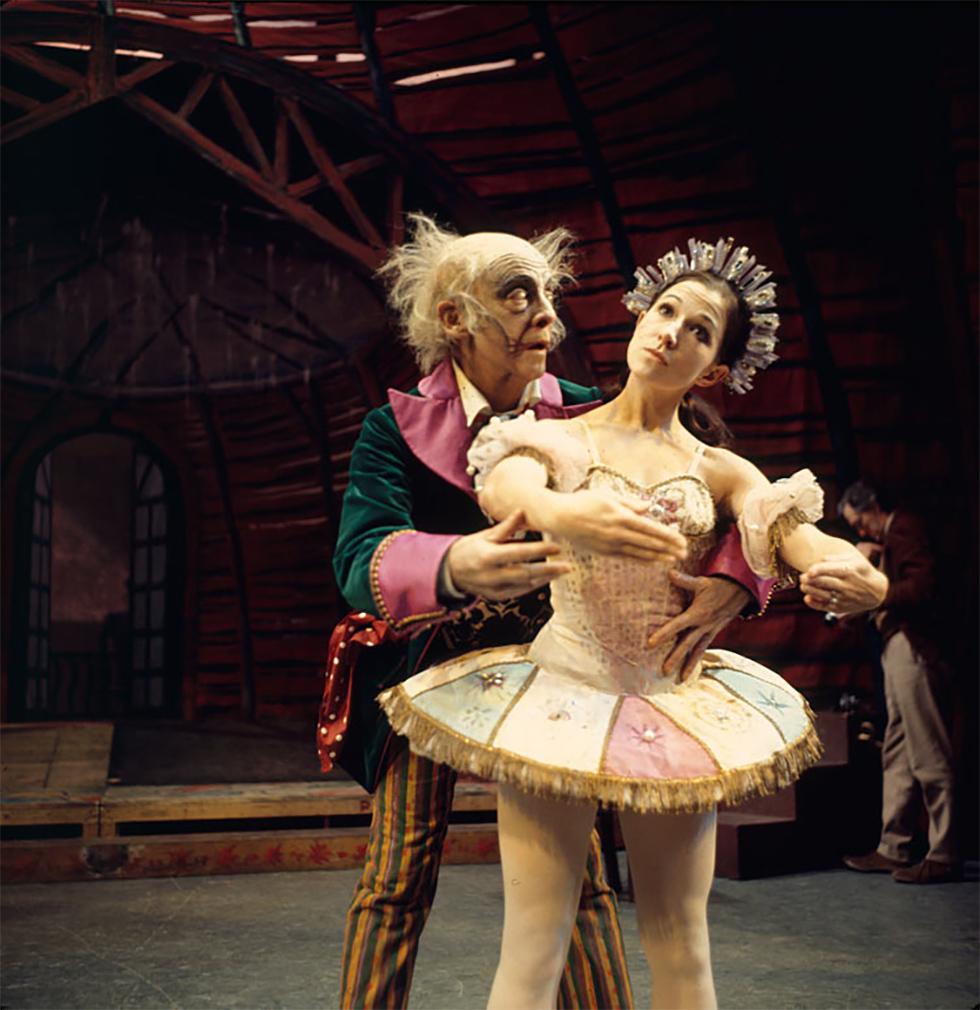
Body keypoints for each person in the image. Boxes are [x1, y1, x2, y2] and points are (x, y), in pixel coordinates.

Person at [379, 237, 889, 1010]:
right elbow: (508, 482)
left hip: (670, 701)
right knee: (533, 947)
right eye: (665, 309)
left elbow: (790, 531)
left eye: (697, 330)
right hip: (563, 691)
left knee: (683, 944)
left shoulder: (718, 468)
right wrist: (561, 512)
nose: (671, 331)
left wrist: (850, 570)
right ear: (638, 316)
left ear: (714, 369)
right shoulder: (557, 434)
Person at [831, 481, 959, 884]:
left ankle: (945, 851)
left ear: (873, 506)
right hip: (895, 646)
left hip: (913, 647)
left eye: (860, 522)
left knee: (927, 748)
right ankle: (894, 846)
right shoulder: (887, 540)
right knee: (900, 749)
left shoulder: (903, 527)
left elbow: (923, 589)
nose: (862, 532)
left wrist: (874, 591)